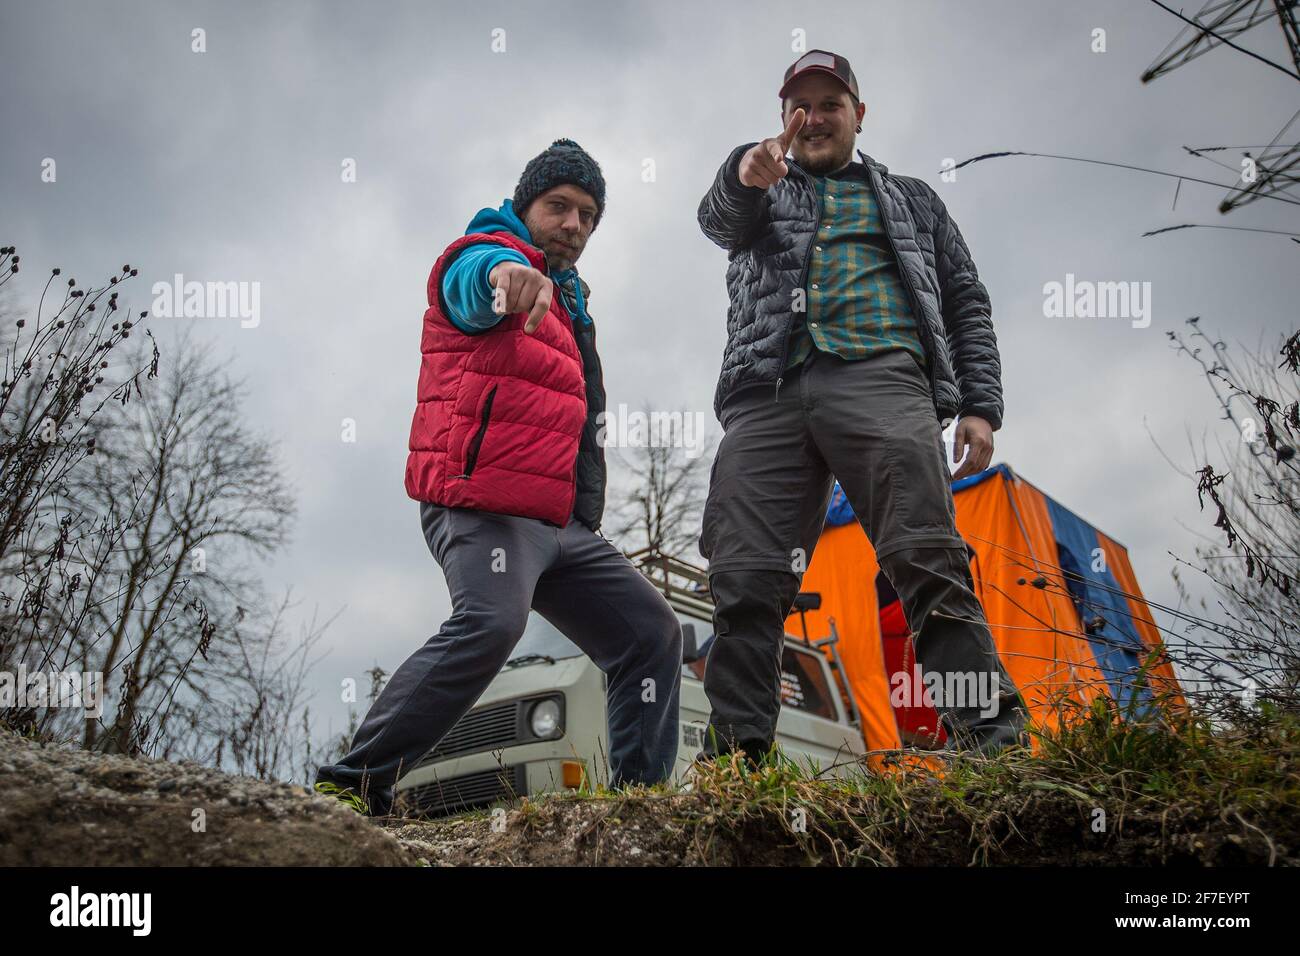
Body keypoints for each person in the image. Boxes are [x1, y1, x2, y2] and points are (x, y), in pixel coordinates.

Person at [315, 139, 682, 815]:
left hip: (559, 525)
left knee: (652, 632)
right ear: (524, 207)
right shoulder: (482, 253)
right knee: (491, 621)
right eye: (559, 206)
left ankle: (640, 808)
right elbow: (473, 282)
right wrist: (505, 281)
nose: (574, 223)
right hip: (483, 506)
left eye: (589, 215)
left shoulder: (573, 309)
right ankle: (353, 784)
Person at [695, 50, 1029, 764]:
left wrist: (981, 405)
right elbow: (720, 218)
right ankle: (736, 763)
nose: (813, 119)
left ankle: (993, 745)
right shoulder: (763, 187)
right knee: (746, 577)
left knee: (928, 559)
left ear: (858, 114)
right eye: (799, 107)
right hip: (768, 394)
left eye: (829, 104)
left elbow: (965, 298)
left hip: (883, 380)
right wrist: (742, 174)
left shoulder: (912, 198)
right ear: (783, 118)